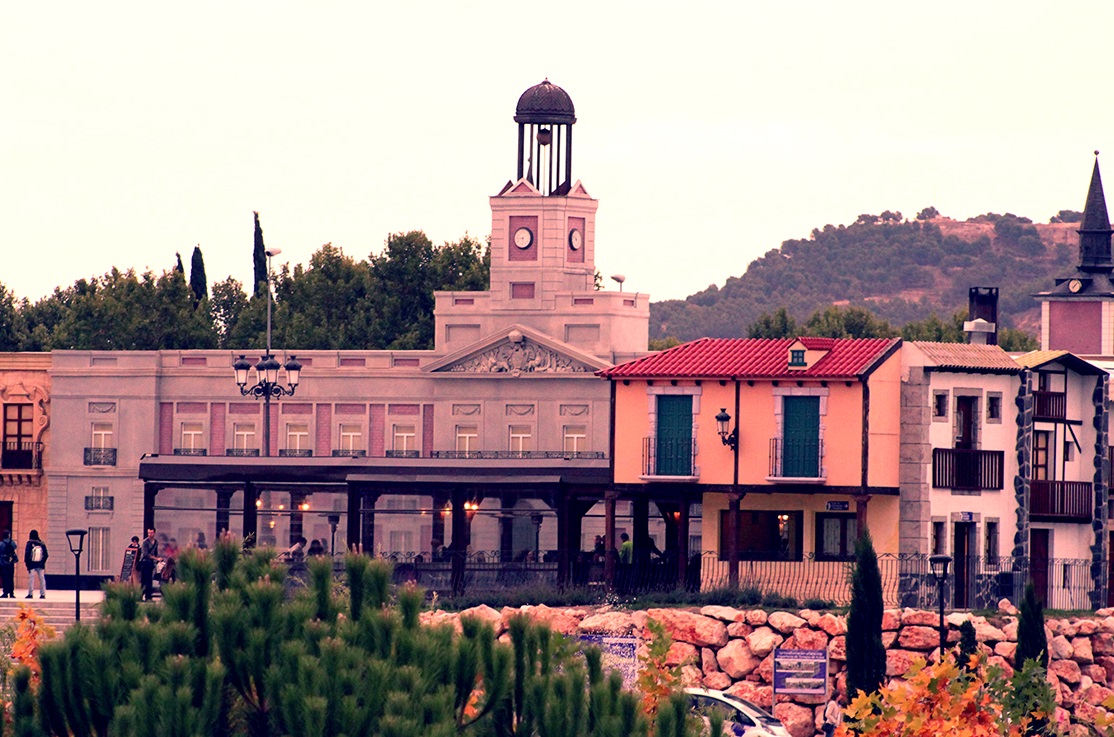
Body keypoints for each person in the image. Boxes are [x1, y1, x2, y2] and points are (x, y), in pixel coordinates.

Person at [24, 530, 47, 599]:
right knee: (42, 579)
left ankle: (30, 594)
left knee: (31, 579)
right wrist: (42, 562)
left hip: (32, 564)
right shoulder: (42, 543)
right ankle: (43, 594)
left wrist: (27, 564)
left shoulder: (29, 543)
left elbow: (27, 554)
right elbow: (46, 554)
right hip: (40, 564)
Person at [138, 528, 159, 601]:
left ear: (154, 533)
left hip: (151, 563)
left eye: (151, 533)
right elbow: (145, 554)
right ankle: (140, 596)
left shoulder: (156, 542)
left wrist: (156, 560)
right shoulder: (145, 542)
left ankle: (148, 596)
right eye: (148, 533)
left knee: (149, 580)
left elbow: (156, 552)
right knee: (144, 580)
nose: (150, 535)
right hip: (145, 563)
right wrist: (156, 558)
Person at [0, 530, 17, 598]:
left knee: (4, 578)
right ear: (9, 535)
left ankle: (5, 593)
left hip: (3, 563)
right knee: (11, 578)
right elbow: (15, 547)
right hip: (10, 562)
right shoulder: (12, 542)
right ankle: (11, 593)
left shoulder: (1, 544)